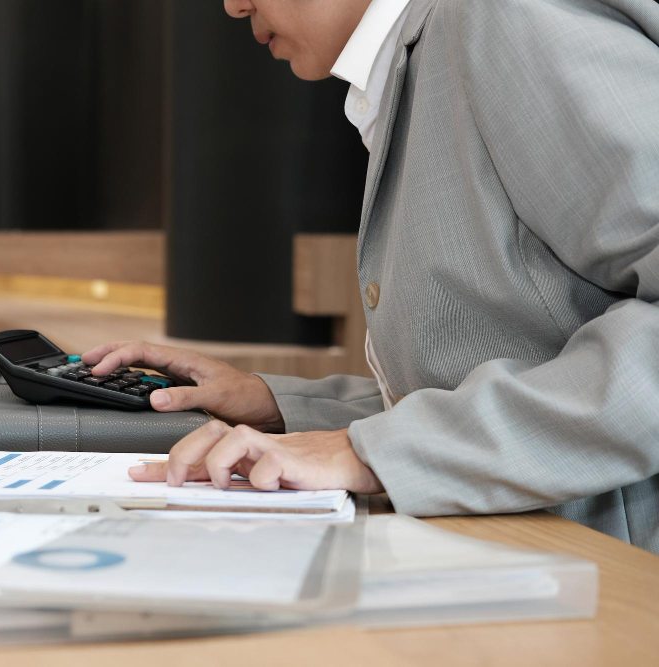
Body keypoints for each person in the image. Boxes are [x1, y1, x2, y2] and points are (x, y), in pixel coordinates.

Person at [81, 0, 659, 554]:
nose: (233, 6)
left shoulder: (508, 19)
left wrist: (375, 452)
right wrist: (282, 408)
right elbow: (515, 364)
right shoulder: (429, 59)